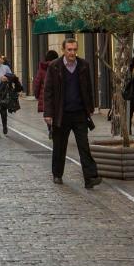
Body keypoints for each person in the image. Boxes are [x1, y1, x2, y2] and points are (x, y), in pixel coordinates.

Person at [43, 37, 101, 189]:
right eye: (69, 49)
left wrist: (90, 107)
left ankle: (90, 178)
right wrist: (48, 113)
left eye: (75, 49)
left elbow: (88, 87)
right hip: (61, 114)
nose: (72, 53)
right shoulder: (54, 67)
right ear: (63, 50)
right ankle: (57, 174)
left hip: (80, 113)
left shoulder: (84, 65)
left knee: (84, 146)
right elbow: (48, 91)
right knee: (59, 146)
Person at [32, 49, 59, 138]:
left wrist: (36, 94)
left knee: (48, 113)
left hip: (45, 95)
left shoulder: (42, 68)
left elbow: (37, 82)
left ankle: (50, 128)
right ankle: (55, 128)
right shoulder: (58, 66)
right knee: (56, 112)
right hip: (57, 94)